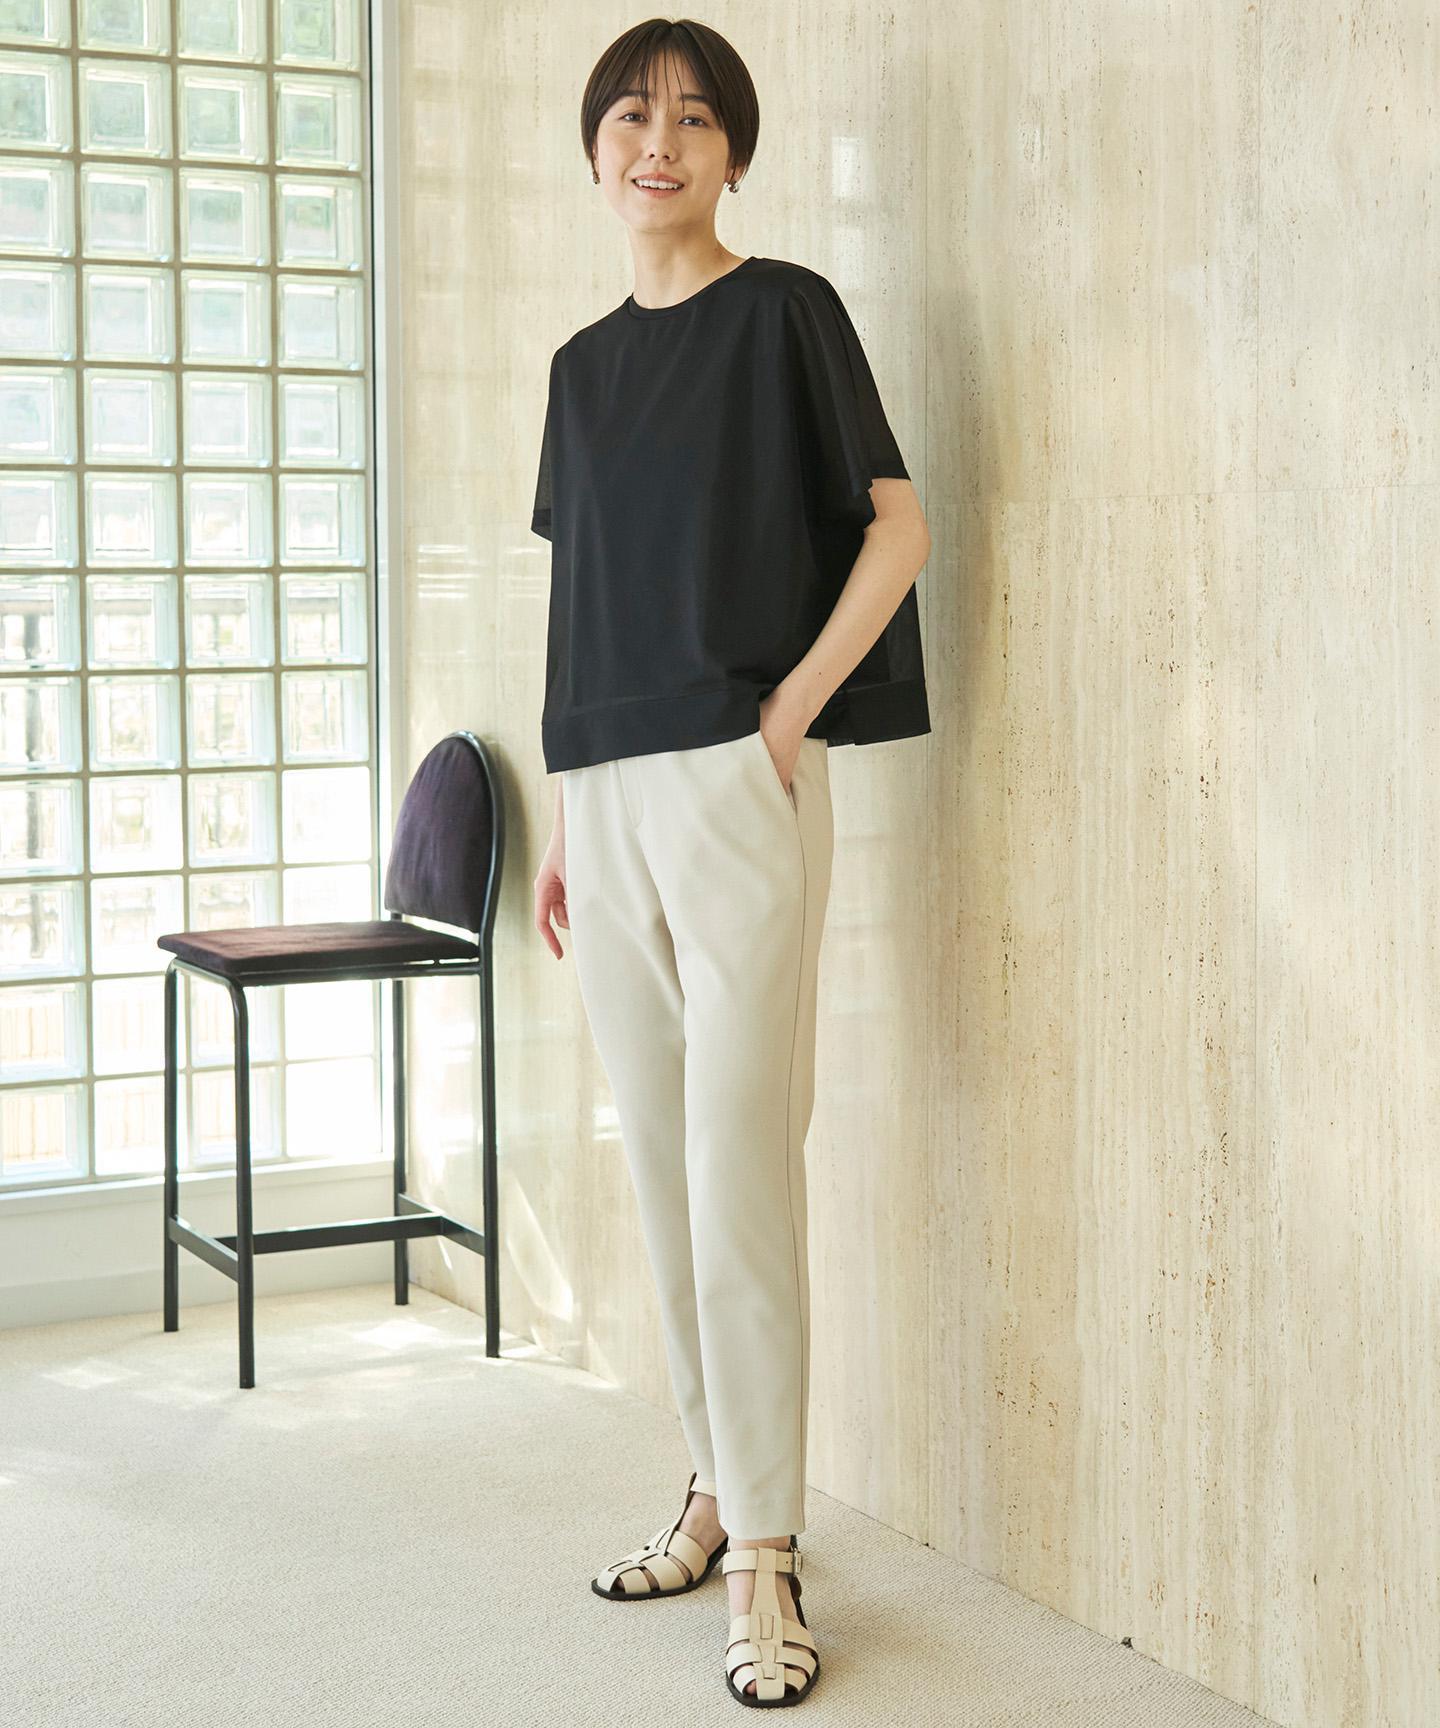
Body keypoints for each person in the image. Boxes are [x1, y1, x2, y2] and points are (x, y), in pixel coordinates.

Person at [530, 17, 932, 1709]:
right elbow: (584, 594)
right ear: (596, 151)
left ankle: (766, 1552)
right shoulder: (578, 370)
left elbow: (900, 527)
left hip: (732, 774)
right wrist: (569, 812)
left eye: (695, 119)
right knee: (659, 1166)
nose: (660, 142)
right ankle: (712, 1485)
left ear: (735, 155)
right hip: (607, 789)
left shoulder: (787, 314)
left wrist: (783, 721)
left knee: (740, 1165)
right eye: (632, 116)